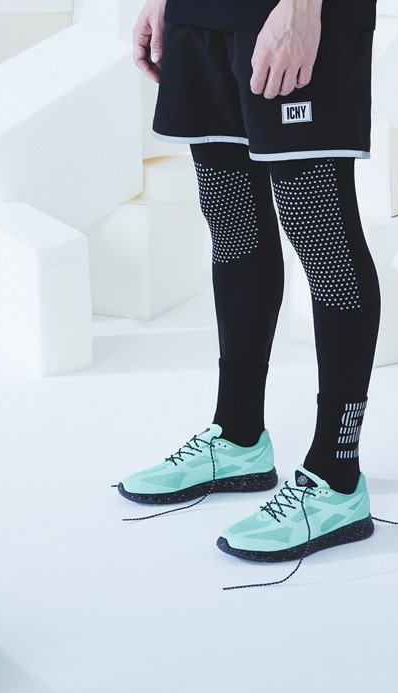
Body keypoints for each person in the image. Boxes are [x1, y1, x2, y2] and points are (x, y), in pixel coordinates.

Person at [118, 0, 381, 567]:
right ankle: (238, 439)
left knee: (322, 233)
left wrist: (303, 8)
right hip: (203, 14)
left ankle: (337, 479)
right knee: (231, 222)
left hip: (291, 12)